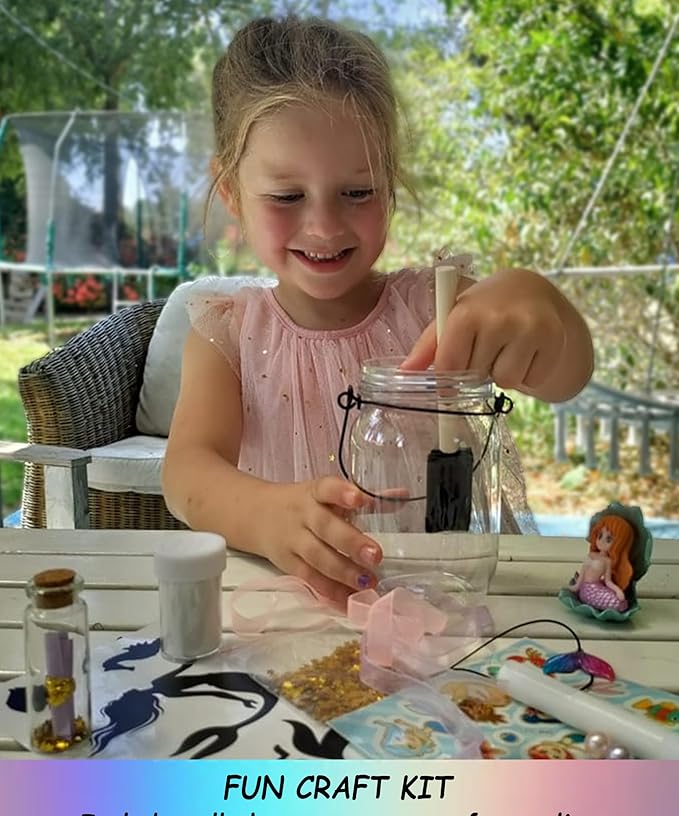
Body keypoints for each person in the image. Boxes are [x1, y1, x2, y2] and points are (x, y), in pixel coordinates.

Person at [162, 15, 594, 607]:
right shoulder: (230, 333)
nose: (324, 226)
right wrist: (264, 516)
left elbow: (569, 375)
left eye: (358, 191)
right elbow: (186, 473)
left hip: (453, 612)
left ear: (389, 183)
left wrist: (534, 300)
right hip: (297, 617)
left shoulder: (435, 307)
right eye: (287, 196)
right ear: (232, 191)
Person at [568, 514, 635, 612]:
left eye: (608, 539)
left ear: (618, 544)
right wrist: (576, 586)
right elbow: (583, 572)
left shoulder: (607, 561)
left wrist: (618, 591)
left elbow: (608, 581)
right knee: (616, 603)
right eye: (600, 536)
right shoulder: (591, 555)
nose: (602, 541)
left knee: (618, 602)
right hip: (586, 590)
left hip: (597, 588)